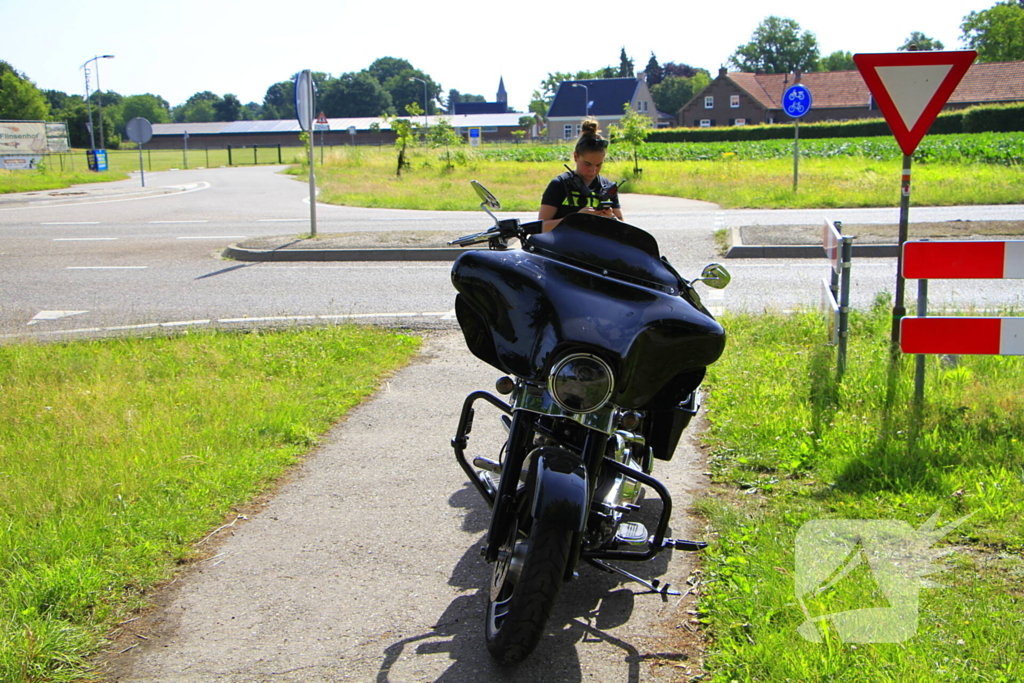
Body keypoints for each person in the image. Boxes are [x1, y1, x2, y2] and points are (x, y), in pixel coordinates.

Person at [538, 120, 623, 232]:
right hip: (563, 242)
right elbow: (541, 227)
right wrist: (576, 219)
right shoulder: (559, 185)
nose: (593, 170)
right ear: (576, 156)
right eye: (587, 164)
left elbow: (624, 229)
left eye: (598, 165)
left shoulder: (608, 188)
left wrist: (612, 218)